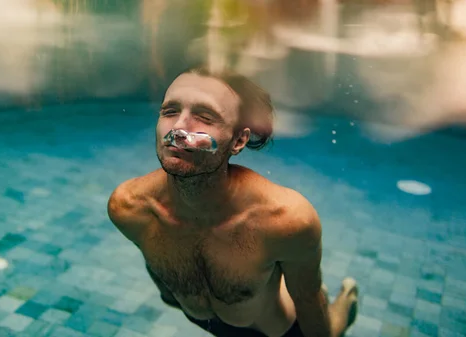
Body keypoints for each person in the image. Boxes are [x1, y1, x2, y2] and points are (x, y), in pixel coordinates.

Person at [107, 66, 358, 337]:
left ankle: (346, 300)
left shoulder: (285, 219)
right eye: (170, 112)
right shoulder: (129, 206)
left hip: (275, 331)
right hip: (204, 321)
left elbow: (308, 303)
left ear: (239, 140)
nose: (179, 128)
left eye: (204, 117)